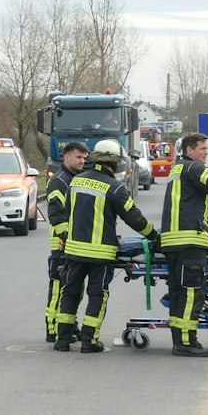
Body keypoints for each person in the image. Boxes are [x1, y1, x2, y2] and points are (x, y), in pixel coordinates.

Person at [48, 139, 158, 353]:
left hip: (73, 251)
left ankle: (62, 340)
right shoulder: (115, 187)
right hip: (101, 254)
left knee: (69, 294)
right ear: (114, 163)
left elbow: (68, 212)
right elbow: (134, 218)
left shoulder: (76, 182)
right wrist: (155, 236)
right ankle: (89, 341)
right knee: (97, 296)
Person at [158, 132, 208, 358]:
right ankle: (186, 342)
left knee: (178, 292)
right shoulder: (193, 169)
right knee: (192, 291)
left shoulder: (178, 169)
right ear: (189, 150)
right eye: (202, 148)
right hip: (190, 240)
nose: (206, 153)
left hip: (173, 241)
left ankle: (180, 339)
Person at [40, 141, 89, 343]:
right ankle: (53, 329)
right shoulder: (59, 181)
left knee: (73, 292)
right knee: (59, 291)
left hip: (73, 245)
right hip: (61, 246)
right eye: (78, 157)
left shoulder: (75, 179)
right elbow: (57, 216)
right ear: (66, 157)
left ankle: (69, 326)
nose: (82, 161)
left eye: (84, 157)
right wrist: (67, 240)